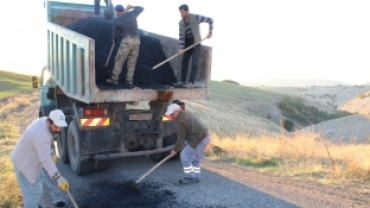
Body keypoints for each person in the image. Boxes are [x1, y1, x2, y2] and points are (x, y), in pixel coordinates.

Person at [11, 110, 70, 208]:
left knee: (40, 179)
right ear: (49, 122)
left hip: (28, 159)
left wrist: (51, 153)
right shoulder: (41, 134)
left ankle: (34, 205)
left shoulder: (44, 122)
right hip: (24, 164)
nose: (59, 129)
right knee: (33, 193)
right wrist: (59, 178)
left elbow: (48, 142)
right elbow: (45, 159)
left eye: (60, 127)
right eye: (56, 126)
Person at [165, 103, 210, 184]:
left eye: (171, 114)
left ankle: (190, 177)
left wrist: (175, 150)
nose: (170, 117)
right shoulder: (186, 113)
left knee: (184, 155)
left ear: (176, 112)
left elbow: (180, 140)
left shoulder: (180, 122)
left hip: (198, 140)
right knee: (195, 159)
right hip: (205, 136)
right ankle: (196, 176)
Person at [173, 4, 214, 88]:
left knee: (194, 63)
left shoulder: (195, 17)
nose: (181, 14)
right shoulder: (181, 23)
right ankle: (182, 81)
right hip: (187, 43)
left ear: (187, 11)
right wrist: (180, 48)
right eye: (180, 12)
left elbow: (210, 20)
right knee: (184, 62)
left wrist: (210, 32)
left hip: (196, 43)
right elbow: (181, 37)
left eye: (182, 12)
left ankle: (191, 82)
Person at [106, 4, 144, 88]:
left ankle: (114, 80)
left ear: (117, 11)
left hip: (127, 40)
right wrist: (132, 7)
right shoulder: (132, 14)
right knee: (132, 62)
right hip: (137, 41)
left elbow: (115, 35)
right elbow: (141, 7)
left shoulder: (117, 20)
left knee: (119, 61)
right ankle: (129, 81)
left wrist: (116, 41)